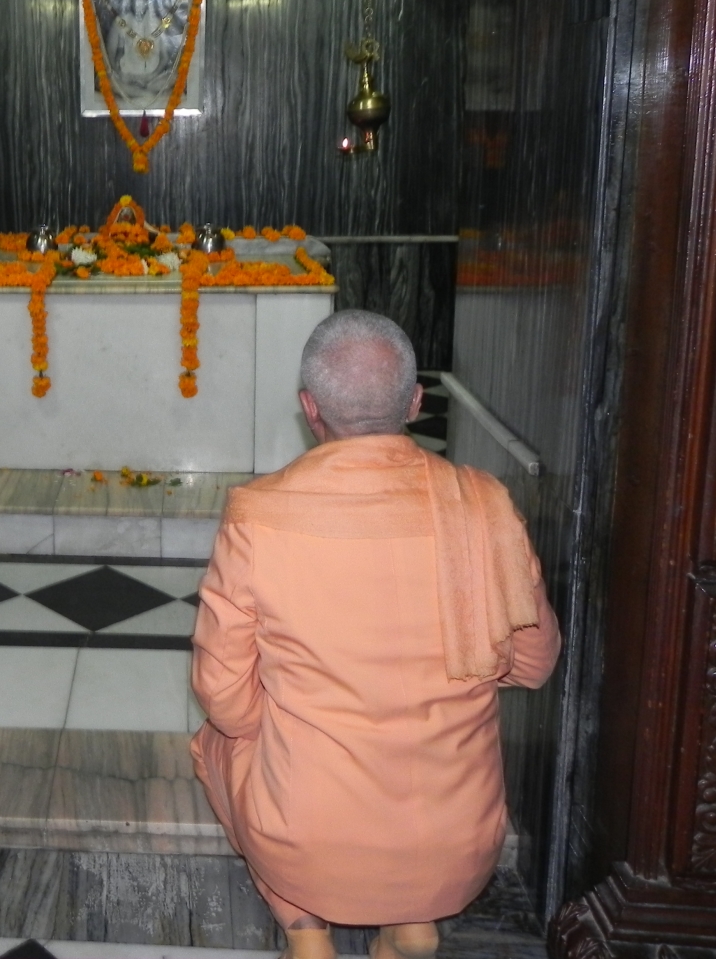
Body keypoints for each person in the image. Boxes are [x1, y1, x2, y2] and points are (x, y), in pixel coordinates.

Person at [190, 310, 561, 959]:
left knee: (217, 740)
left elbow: (226, 699)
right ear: (416, 401)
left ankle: (306, 929)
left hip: (308, 840)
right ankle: (409, 920)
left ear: (310, 407)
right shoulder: (483, 503)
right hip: (459, 842)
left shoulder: (258, 515)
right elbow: (534, 664)